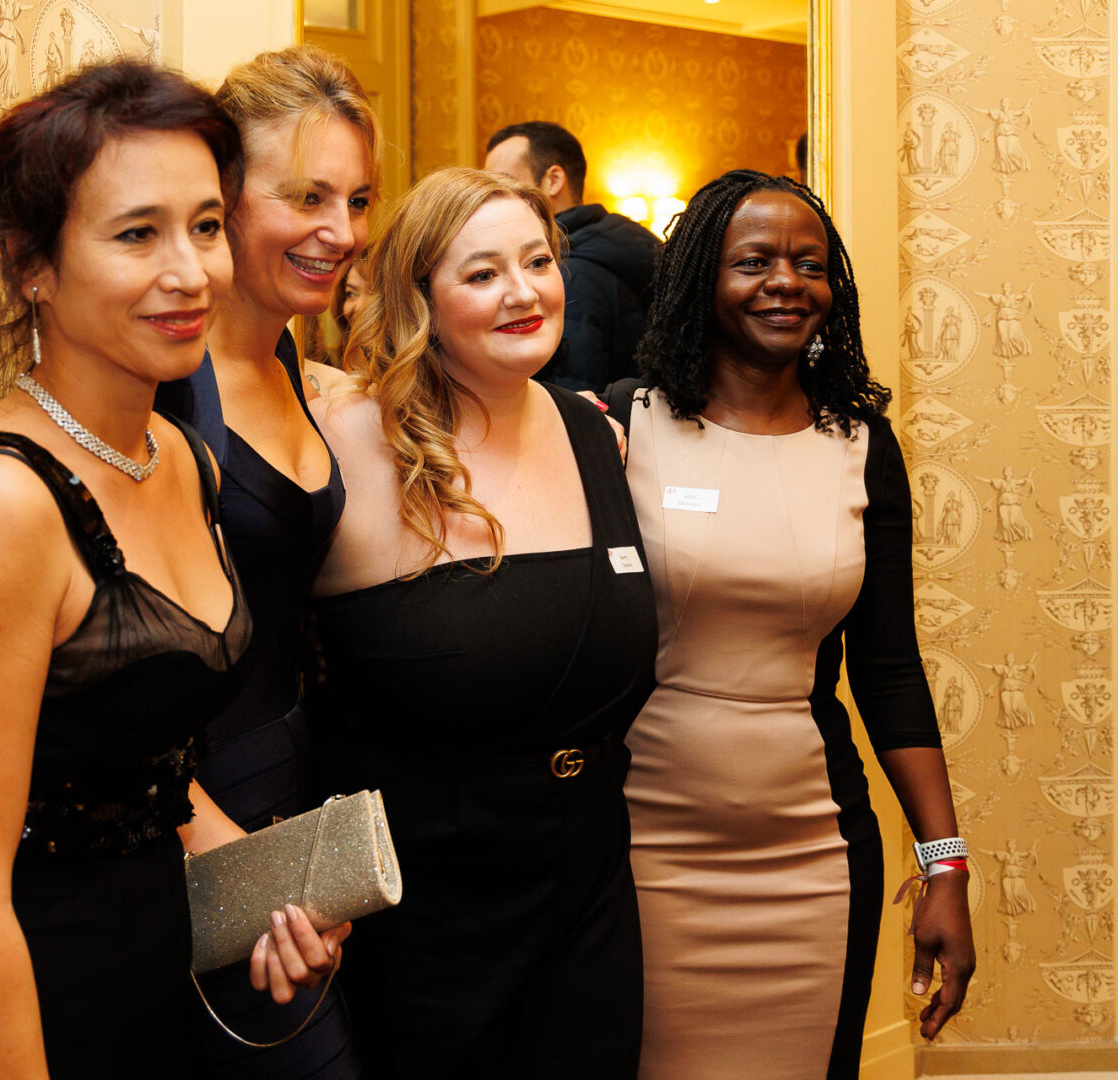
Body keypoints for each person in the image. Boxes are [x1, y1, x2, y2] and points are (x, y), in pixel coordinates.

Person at [0, 61, 341, 1078]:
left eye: (206, 226)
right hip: (7, 1009)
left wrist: (267, 889)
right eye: (137, 235)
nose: (190, 272)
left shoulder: (180, 458)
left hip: (144, 980)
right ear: (32, 264)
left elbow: (136, 768)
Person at [601, 169, 975, 1078]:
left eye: (810, 265)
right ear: (702, 278)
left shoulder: (861, 445)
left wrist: (947, 866)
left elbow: (890, 671)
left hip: (812, 849)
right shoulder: (622, 423)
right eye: (754, 261)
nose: (786, 283)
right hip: (639, 843)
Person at [310, 167, 657, 1077]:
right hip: (420, 917)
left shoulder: (595, 434)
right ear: (420, 300)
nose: (523, 292)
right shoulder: (346, 440)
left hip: (588, 894)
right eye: (482, 273)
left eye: (538, 262)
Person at [154, 45, 373, 1075]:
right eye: (308, 197)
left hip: (279, 809)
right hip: (178, 825)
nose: (343, 232)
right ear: (225, 198)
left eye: (357, 200)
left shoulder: (291, 358)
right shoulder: (163, 374)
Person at [484, 120, 660, 392]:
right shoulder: (615, 242)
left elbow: (573, 397)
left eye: (505, 183)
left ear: (553, 180)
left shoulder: (569, 272)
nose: (493, 199)